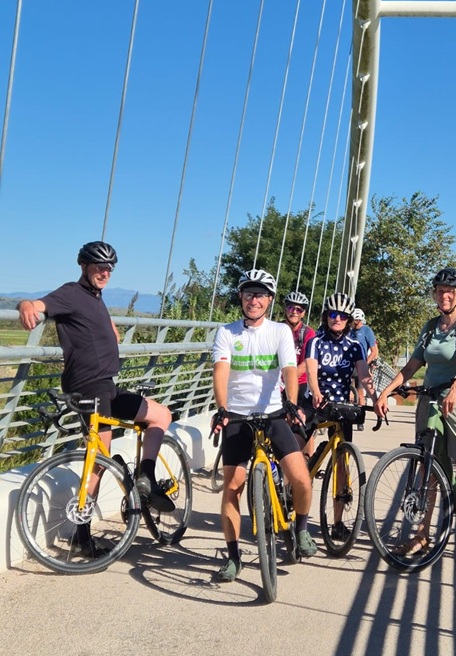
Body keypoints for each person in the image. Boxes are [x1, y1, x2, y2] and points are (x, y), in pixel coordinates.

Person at [17, 241, 175, 556]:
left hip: (106, 387)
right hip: (87, 388)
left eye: (108, 268)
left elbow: (95, 327)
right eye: (98, 267)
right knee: (99, 460)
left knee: (161, 415)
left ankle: (146, 478)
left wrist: (110, 331)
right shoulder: (71, 293)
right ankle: (82, 535)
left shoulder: (95, 298)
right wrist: (25, 306)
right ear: (84, 267)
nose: (104, 272)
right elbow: (38, 304)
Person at [375, 268, 456, 570]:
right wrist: (385, 392)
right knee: (427, 472)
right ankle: (422, 536)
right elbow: (413, 364)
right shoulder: (430, 327)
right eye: (440, 290)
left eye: (450, 291)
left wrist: (455, 389)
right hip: (429, 401)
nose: (444, 295)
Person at [211, 269, 317, 583]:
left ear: (269, 300)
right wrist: (222, 408)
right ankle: (233, 557)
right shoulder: (227, 332)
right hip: (238, 418)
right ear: (241, 298)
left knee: (301, 479)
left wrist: (291, 402)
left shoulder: (280, 331)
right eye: (248, 294)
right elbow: (220, 371)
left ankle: (300, 530)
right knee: (232, 488)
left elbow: (288, 369)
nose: (253, 300)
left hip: (272, 415)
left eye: (260, 295)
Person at [304, 292, 378, 540]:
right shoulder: (316, 341)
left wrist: (377, 399)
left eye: (342, 316)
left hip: (340, 406)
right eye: (333, 314)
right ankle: (295, 497)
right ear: (326, 317)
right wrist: (315, 392)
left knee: (342, 464)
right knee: (300, 456)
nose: (337, 319)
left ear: (348, 320)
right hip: (316, 402)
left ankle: (337, 523)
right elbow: (312, 372)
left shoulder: (354, 346)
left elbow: (364, 376)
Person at [281, 290, 316, 458]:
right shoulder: (277, 329)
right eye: (291, 308)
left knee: (302, 422)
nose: (294, 312)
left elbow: (307, 362)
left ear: (304, 313)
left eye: (299, 309)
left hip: (300, 382)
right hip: (278, 382)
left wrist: (289, 379)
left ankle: (307, 461)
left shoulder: (308, 333)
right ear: (285, 309)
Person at [349, 307, 379, 429]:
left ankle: (360, 420)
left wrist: (366, 363)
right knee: (349, 393)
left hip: (362, 364)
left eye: (356, 320)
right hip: (350, 364)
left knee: (360, 393)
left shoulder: (367, 330)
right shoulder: (350, 331)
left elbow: (374, 351)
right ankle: (348, 416)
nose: (354, 323)